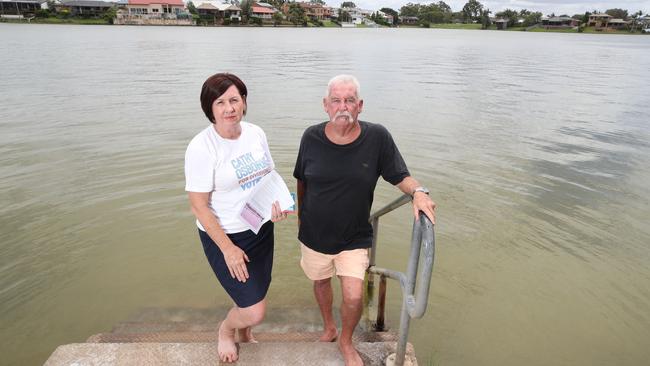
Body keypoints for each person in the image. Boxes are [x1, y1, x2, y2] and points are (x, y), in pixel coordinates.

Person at [293, 75, 436, 366]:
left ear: (360, 106)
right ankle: (329, 327)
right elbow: (301, 181)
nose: (342, 106)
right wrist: (300, 219)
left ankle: (346, 342)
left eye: (349, 100)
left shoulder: (377, 137)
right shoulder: (310, 137)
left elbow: (400, 175)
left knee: (354, 296)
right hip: (314, 233)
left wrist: (419, 193)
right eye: (336, 100)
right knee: (320, 283)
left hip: (354, 236)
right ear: (325, 105)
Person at [185, 73, 287, 363]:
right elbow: (198, 206)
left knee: (257, 290)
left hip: (259, 227)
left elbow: (268, 175)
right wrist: (228, 249)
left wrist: (276, 205)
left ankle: (244, 332)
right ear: (210, 108)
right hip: (225, 235)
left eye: (234, 99)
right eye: (220, 102)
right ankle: (227, 330)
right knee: (255, 309)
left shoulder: (256, 133)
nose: (229, 108)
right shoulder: (202, 147)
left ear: (244, 102)